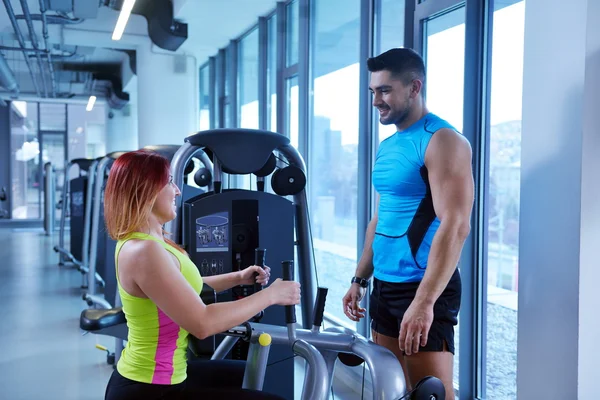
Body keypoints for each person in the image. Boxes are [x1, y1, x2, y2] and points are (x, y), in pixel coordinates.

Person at [102, 149, 300, 400]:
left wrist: (238, 277)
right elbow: (203, 324)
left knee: (249, 374)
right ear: (147, 190)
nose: (177, 190)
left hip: (169, 374)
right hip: (150, 388)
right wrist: (272, 295)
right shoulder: (143, 251)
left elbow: (176, 289)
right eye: (170, 182)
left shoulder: (152, 240)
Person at [342, 48, 474, 400]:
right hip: (385, 284)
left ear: (414, 88)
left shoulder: (442, 140)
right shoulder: (389, 146)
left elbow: (457, 224)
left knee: (429, 394)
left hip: (422, 284)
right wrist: (360, 277)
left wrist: (425, 301)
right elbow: (381, 218)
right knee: (391, 388)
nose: (376, 101)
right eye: (373, 92)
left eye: (385, 91)